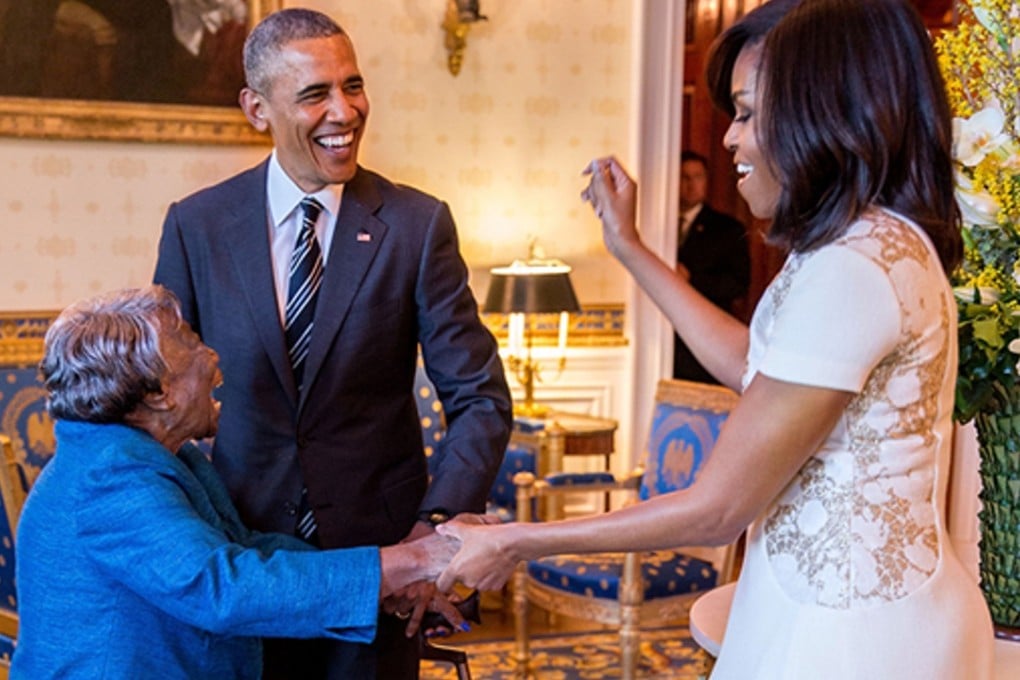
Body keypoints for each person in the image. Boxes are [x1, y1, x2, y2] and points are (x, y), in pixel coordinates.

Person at [436, 0, 997, 677]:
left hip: (850, 634)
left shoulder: (853, 264)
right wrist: (629, 247)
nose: (730, 138)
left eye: (750, 112)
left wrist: (517, 541)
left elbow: (718, 507)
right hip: (846, 609)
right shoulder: (866, 242)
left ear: (823, 112)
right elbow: (751, 365)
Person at [152, 7, 512, 678]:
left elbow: (480, 397)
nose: (345, 111)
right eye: (316, 94)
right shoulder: (196, 226)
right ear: (256, 108)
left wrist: (432, 536)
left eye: (354, 85)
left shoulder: (416, 225)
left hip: (380, 569)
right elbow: (156, 404)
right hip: (244, 567)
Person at [11, 286, 462, 679]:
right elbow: (224, 588)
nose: (212, 355)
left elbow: (246, 548)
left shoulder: (150, 455)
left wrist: (386, 578)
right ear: (157, 393)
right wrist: (416, 559)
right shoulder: (111, 477)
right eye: (190, 341)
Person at [673, 150, 750, 383]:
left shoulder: (727, 229)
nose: (691, 184)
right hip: (667, 339)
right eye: (684, 177)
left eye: (697, 177)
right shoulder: (658, 222)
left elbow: (738, 284)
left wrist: (691, 279)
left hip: (707, 337)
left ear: (706, 181)